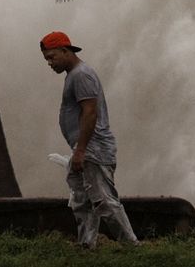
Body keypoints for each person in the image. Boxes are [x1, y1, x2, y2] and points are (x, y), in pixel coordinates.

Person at [40, 31, 138, 248]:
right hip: (84, 148)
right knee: (81, 200)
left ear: (65, 51)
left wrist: (81, 150)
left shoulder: (81, 75)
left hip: (93, 148)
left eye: (52, 56)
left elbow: (90, 112)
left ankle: (132, 245)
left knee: (103, 199)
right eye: (47, 58)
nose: (49, 62)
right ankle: (86, 243)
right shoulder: (73, 74)